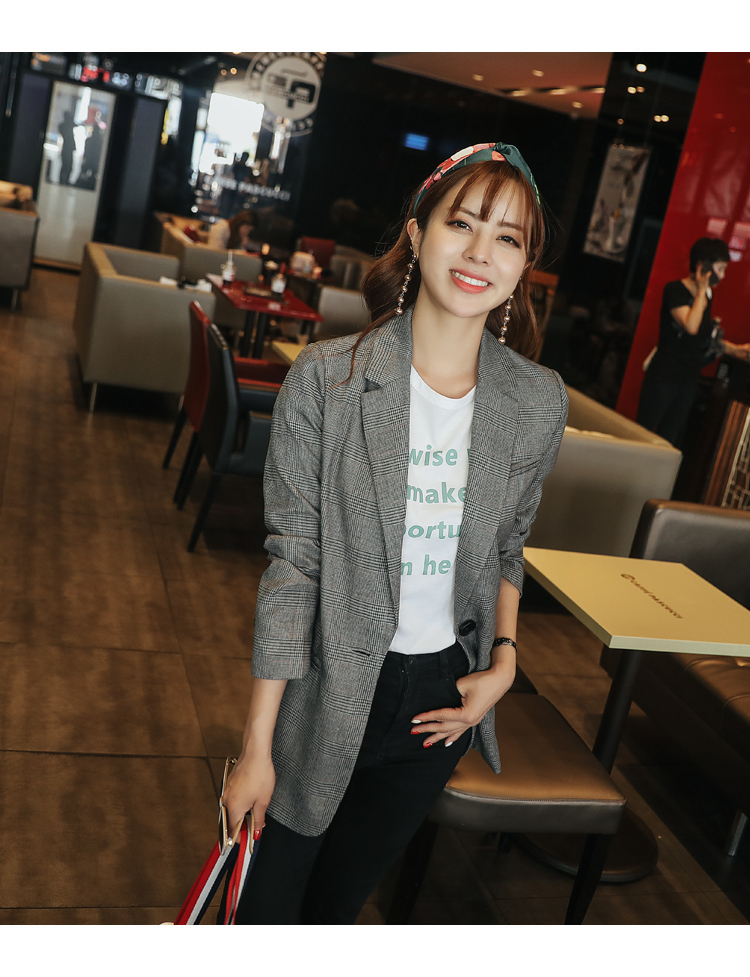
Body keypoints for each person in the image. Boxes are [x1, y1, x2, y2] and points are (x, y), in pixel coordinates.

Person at [220, 142, 569, 925]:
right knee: (262, 913)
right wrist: (256, 745)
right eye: (462, 223)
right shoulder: (330, 379)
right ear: (418, 232)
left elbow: (510, 543)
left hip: (440, 701)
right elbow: (294, 566)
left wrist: (505, 661)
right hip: (324, 684)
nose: (480, 252)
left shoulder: (537, 402)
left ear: (524, 266)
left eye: (507, 237)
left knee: (336, 910)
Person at [637, 237, 750, 447]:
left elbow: (703, 338)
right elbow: (691, 326)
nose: (722, 276)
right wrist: (700, 291)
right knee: (643, 434)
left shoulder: (706, 296)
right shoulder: (675, 290)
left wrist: (737, 350)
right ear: (703, 266)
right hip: (664, 375)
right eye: (720, 269)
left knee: (668, 440)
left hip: (688, 378)